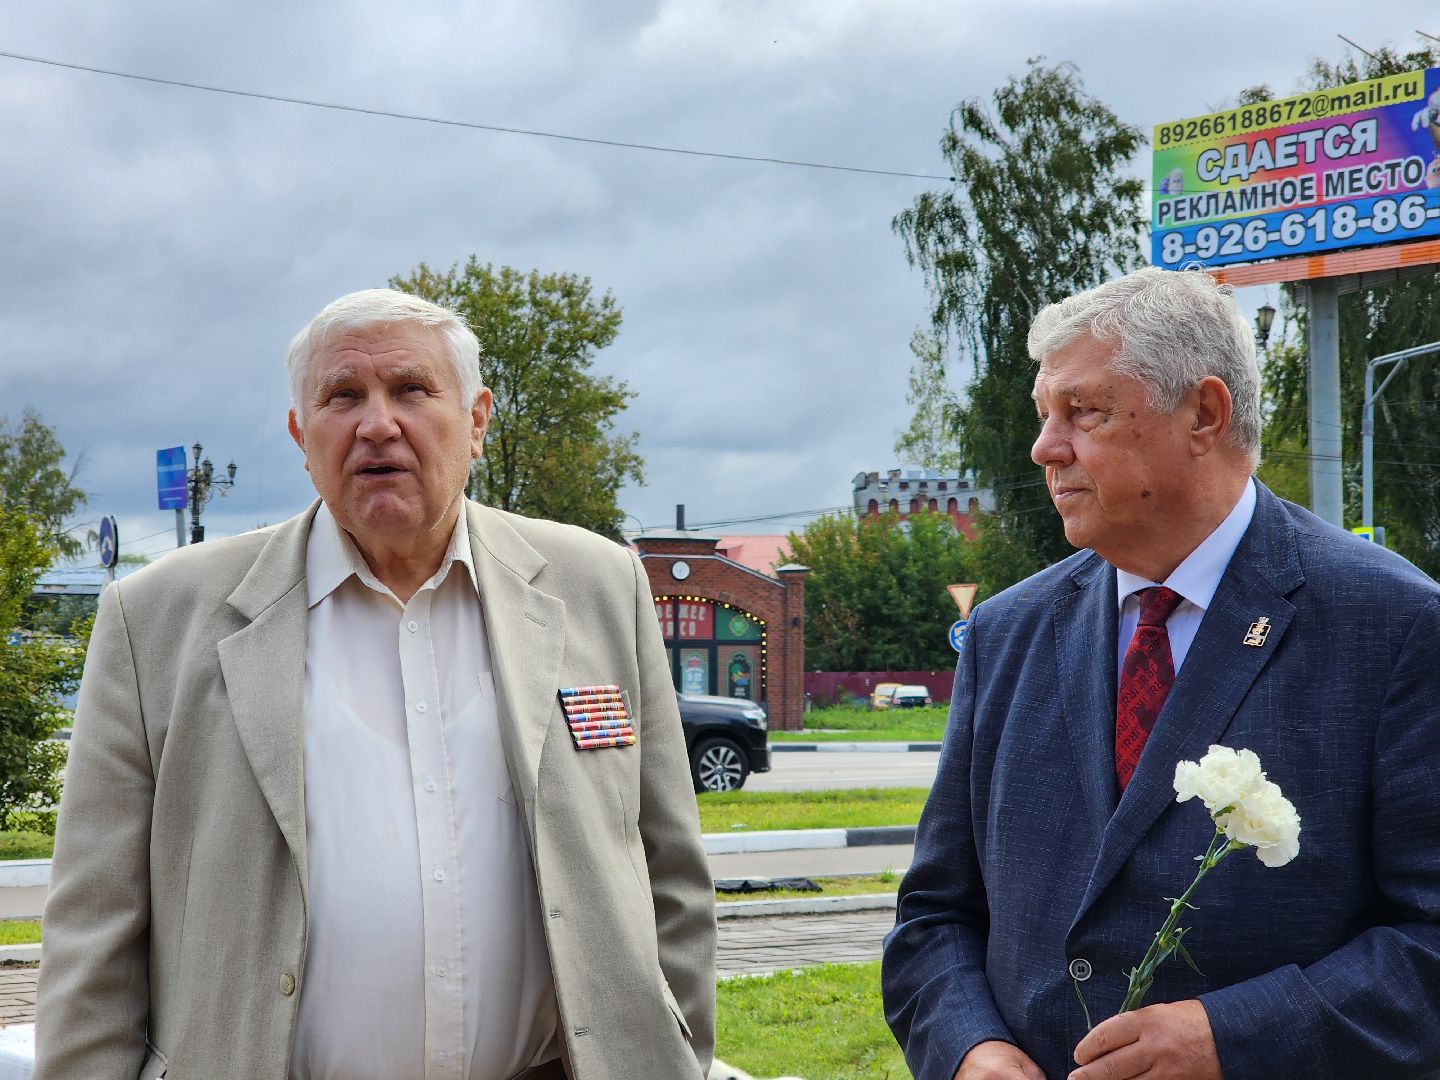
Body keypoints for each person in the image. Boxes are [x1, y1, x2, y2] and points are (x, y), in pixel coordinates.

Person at [35, 289, 716, 1080]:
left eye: (412, 389)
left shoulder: (597, 586)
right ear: (301, 433)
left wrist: (674, 1059)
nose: (377, 424)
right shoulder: (155, 620)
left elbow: (670, 874)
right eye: (342, 396)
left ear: (478, 420)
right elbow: (94, 928)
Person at [882, 267, 1440, 1079]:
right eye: (1046, 416)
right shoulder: (1007, 631)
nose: (1045, 447)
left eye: (1085, 411)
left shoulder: (1393, 626)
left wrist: (1235, 1039)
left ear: (1204, 415)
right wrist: (971, 1049)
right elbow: (934, 916)